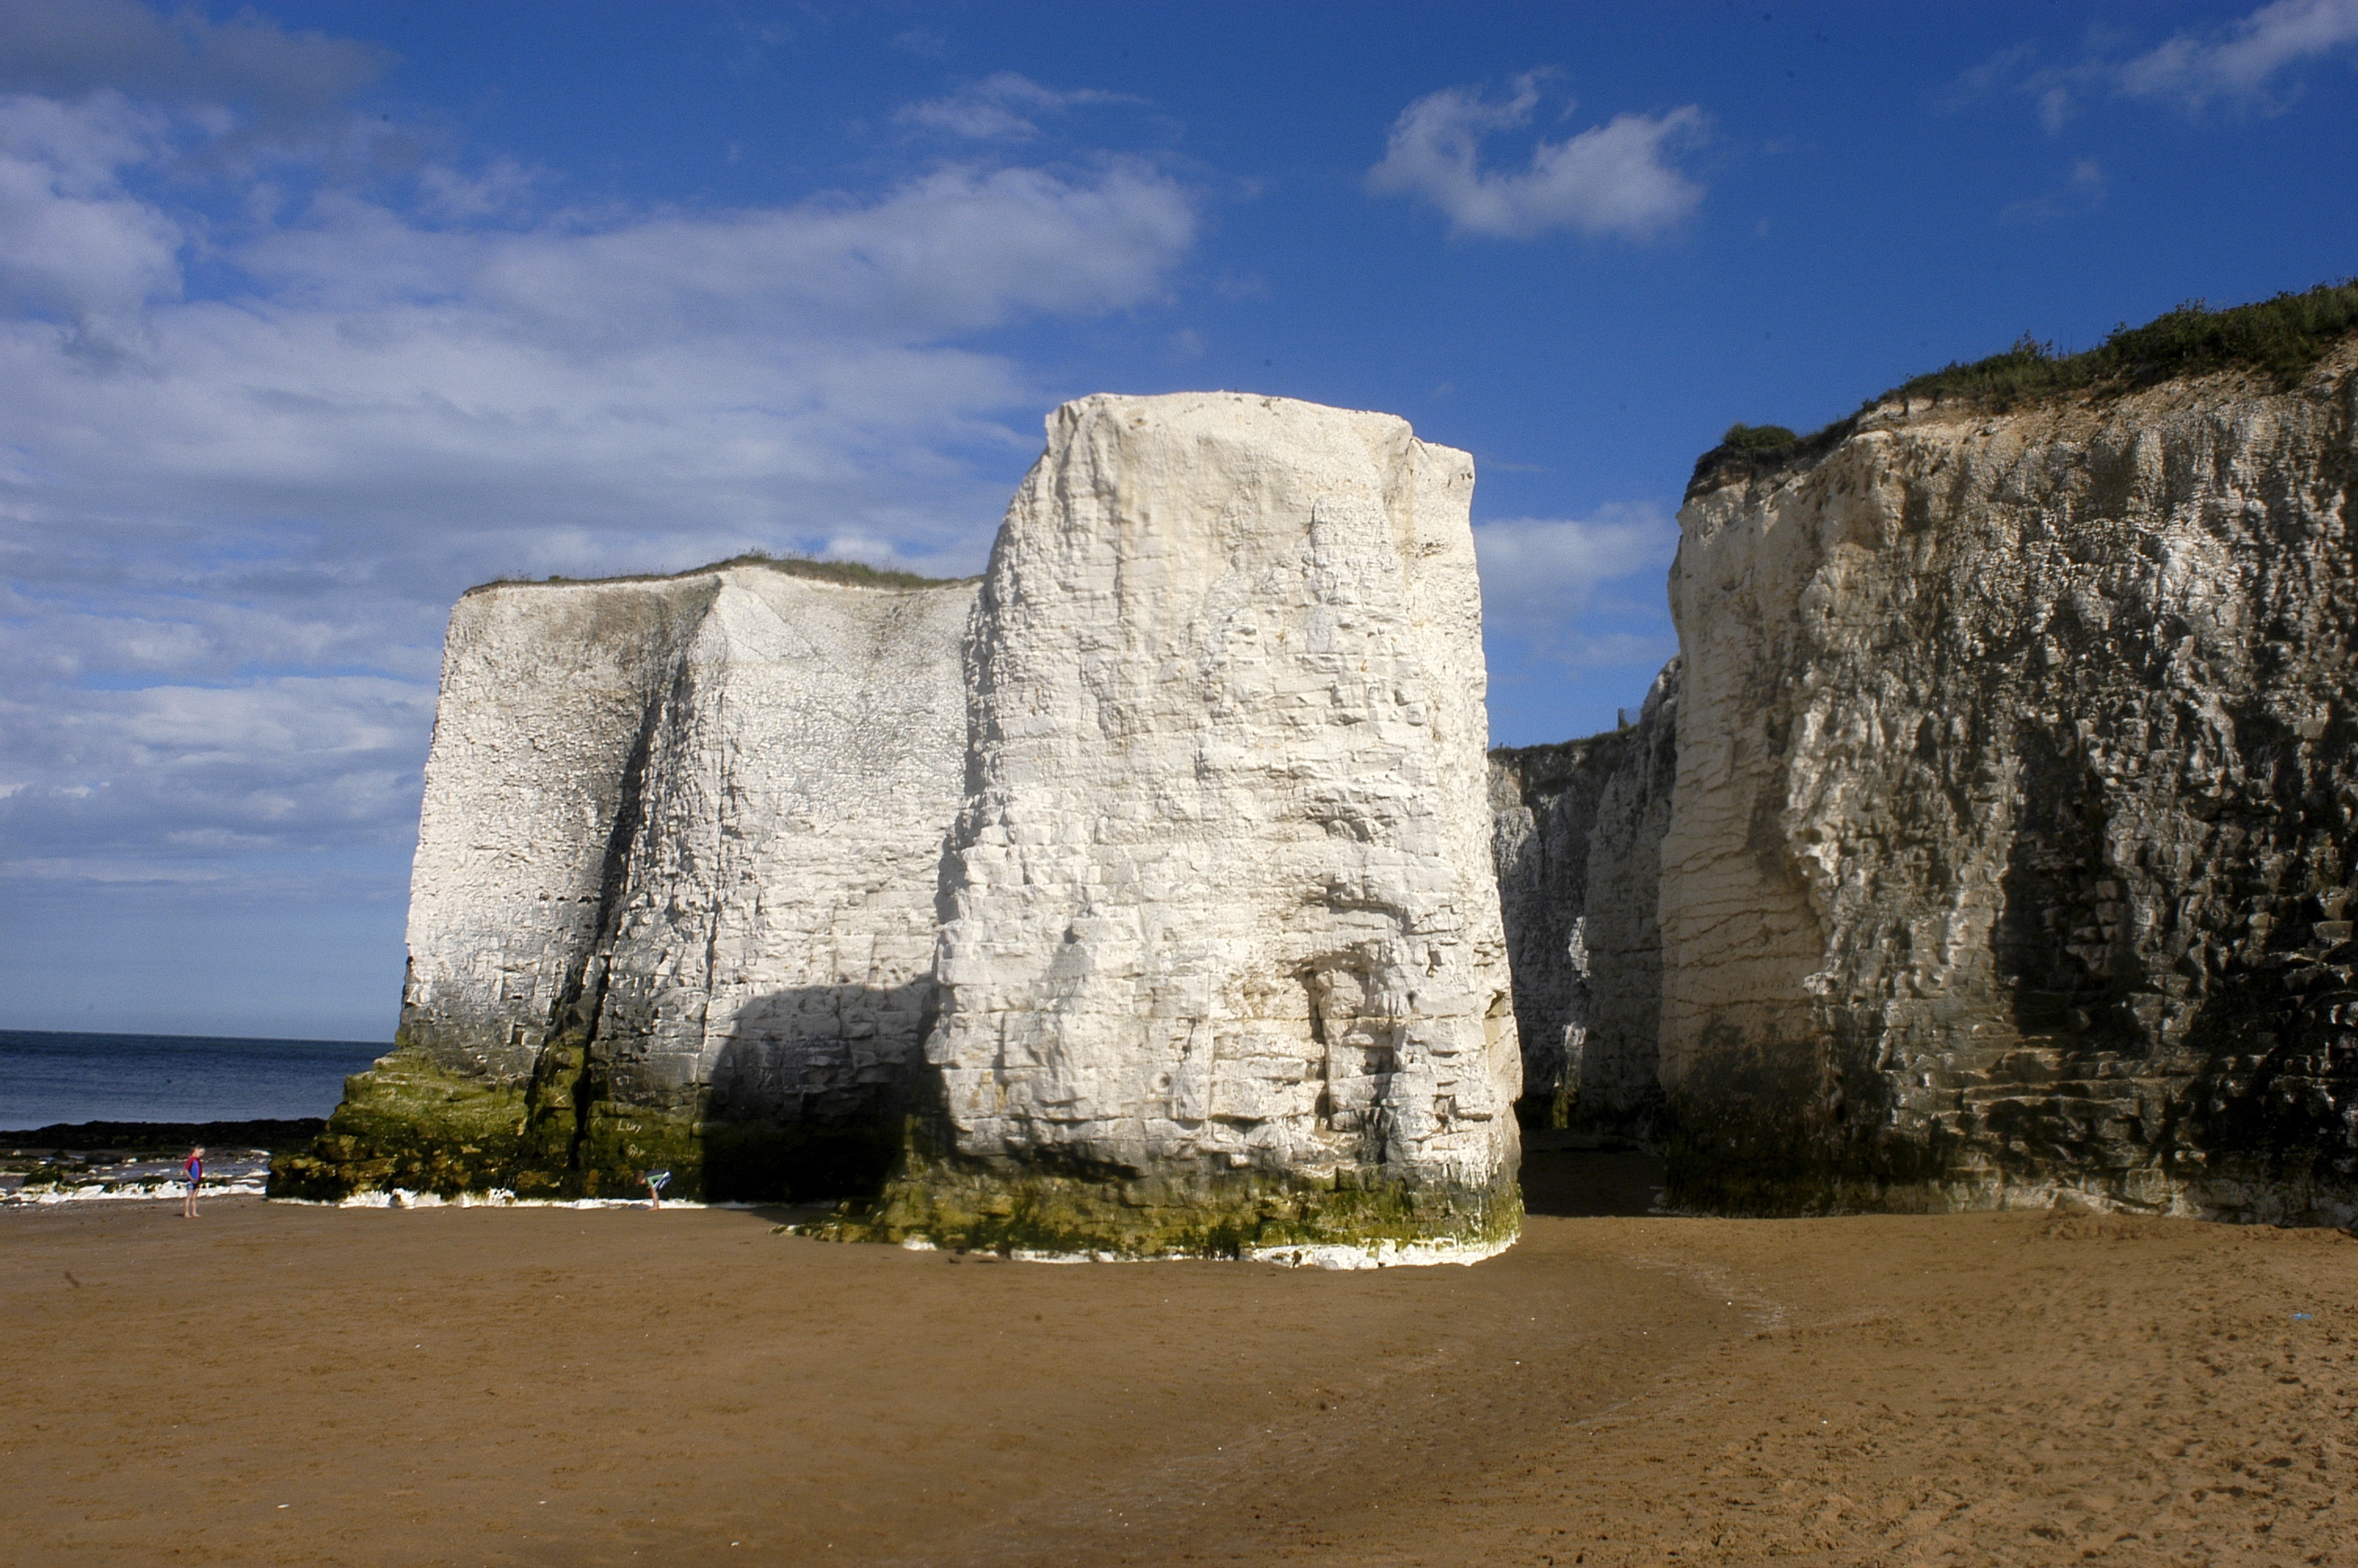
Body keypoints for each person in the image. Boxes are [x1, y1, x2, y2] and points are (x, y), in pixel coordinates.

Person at [182, 1146, 205, 1218]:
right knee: (189, 1196)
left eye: (202, 1153)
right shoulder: (191, 1160)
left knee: (194, 1197)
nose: (201, 1155)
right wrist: (192, 1179)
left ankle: (194, 1212)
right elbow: (186, 1170)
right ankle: (186, 1213)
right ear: (196, 1150)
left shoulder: (198, 1160)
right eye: (200, 1152)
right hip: (191, 1181)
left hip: (197, 1181)